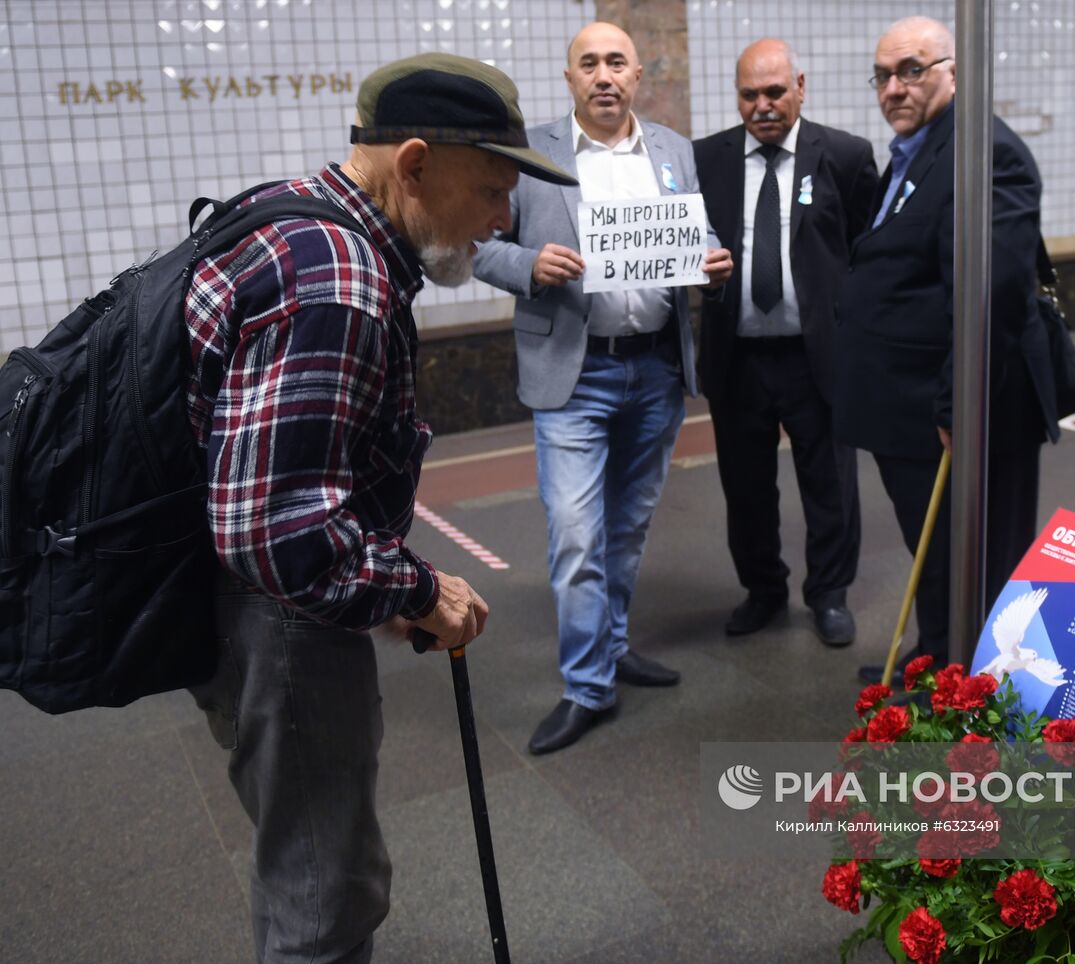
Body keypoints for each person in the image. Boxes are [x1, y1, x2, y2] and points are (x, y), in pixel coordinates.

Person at [184, 54, 576, 962]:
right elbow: (275, 526)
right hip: (276, 622)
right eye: (489, 188)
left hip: (238, 599)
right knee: (325, 892)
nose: (501, 217)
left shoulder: (289, 218)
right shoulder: (339, 277)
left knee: (306, 861)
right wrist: (414, 589)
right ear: (412, 165)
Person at [473, 23, 733, 754]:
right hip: (575, 370)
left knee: (627, 525)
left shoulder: (673, 151)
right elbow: (474, 244)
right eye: (589, 63)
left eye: (616, 61)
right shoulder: (532, 157)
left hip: (654, 366)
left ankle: (612, 648)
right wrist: (529, 265)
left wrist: (710, 257)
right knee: (578, 537)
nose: (604, 75)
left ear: (638, 74)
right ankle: (587, 685)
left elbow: (698, 229)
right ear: (570, 77)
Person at [832, 18, 1057, 685]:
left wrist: (962, 403)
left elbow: (992, 293)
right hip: (905, 405)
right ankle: (935, 662)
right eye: (883, 74)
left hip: (948, 410)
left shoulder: (984, 151)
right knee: (933, 555)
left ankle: (968, 694)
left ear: (954, 70)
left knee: (971, 560)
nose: (894, 87)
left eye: (913, 69)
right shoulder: (921, 148)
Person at [693, 39, 878, 646]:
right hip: (737, 356)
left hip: (815, 356)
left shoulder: (846, 157)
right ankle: (764, 590)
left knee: (829, 485)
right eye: (750, 95)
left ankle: (828, 594)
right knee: (745, 490)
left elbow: (866, 253)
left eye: (775, 92)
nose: (763, 106)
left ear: (800, 85)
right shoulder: (706, 160)